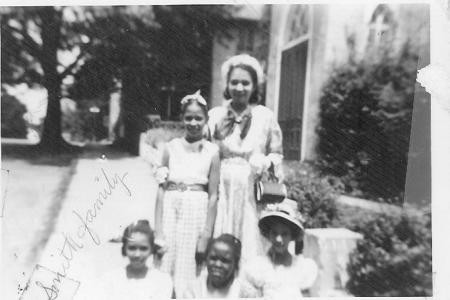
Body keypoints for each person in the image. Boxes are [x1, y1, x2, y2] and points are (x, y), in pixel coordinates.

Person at [207, 54, 284, 263]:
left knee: (250, 237)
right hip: (222, 186)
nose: (239, 88)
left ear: (254, 86)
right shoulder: (215, 115)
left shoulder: (265, 116)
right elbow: (205, 152)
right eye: (234, 82)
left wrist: (266, 162)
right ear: (227, 84)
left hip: (251, 187)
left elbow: (277, 154)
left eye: (245, 83)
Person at [154, 91, 220, 296]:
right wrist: (158, 231)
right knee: (167, 260)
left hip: (197, 213)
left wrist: (206, 235)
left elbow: (214, 195)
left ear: (206, 120)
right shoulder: (170, 148)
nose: (193, 123)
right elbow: (160, 191)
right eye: (188, 117)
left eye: (198, 118)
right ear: (181, 118)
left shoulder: (212, 152)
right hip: (171, 210)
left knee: (191, 266)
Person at [241, 200, 318, 299]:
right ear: (269, 234)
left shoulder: (302, 267)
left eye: (284, 234)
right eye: (274, 233)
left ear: (292, 236)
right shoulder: (258, 268)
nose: (278, 239)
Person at [94, 220, 173, 299]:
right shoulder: (111, 279)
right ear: (124, 248)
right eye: (132, 248)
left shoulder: (162, 281)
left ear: (151, 249)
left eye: (143, 249)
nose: (137, 254)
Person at [182, 234, 243, 298]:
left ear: (235, 264)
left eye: (225, 261)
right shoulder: (194, 289)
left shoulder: (243, 292)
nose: (218, 265)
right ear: (206, 259)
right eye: (213, 258)